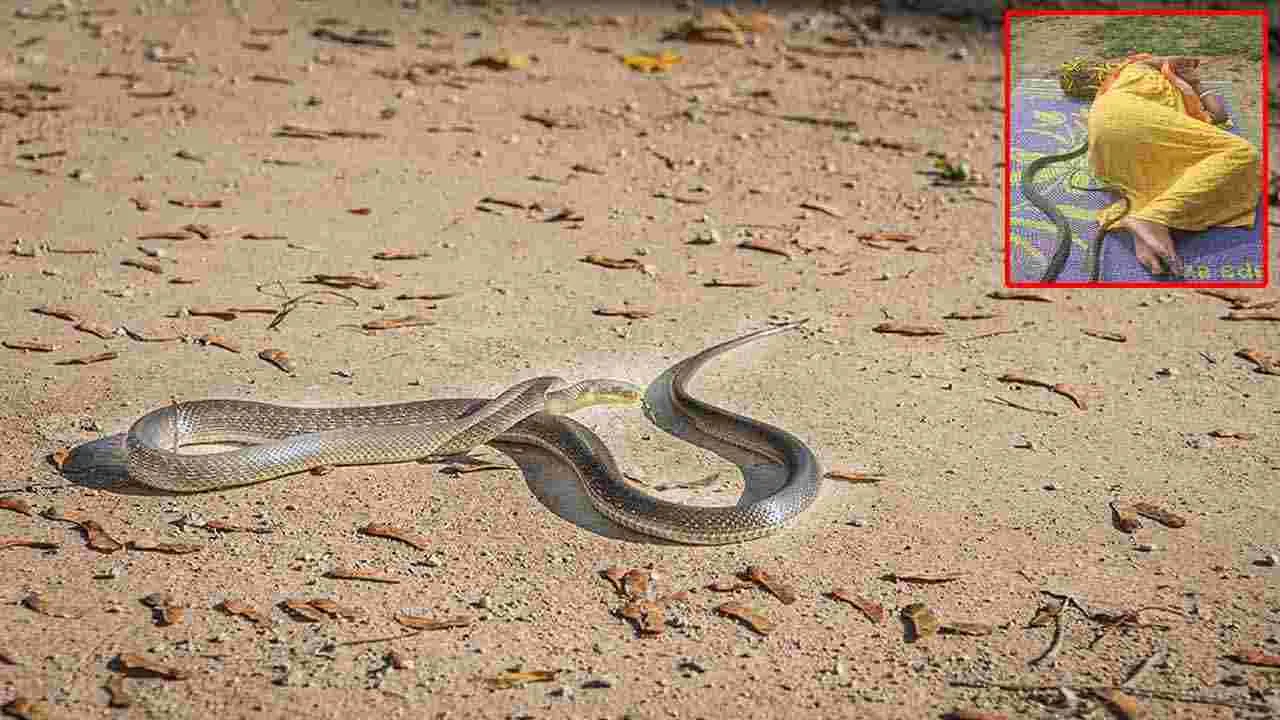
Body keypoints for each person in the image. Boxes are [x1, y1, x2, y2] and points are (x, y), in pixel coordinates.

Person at [1057, 54, 1260, 277]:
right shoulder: (1133, 66)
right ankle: (1152, 218)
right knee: (1241, 153)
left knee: (1184, 176)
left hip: (1106, 135)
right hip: (1129, 114)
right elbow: (1177, 63)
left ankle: (1146, 223)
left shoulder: (1126, 81)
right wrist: (1182, 69)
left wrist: (1196, 82)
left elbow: (1218, 115)